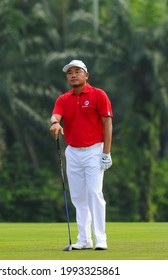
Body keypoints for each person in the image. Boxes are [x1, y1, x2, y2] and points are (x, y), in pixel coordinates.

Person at [49, 60, 113, 250]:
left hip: (94, 150)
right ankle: (84, 239)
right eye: (70, 73)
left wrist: (106, 152)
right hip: (73, 152)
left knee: (95, 193)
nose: (73, 75)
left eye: (77, 72)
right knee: (78, 197)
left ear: (86, 75)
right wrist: (55, 123)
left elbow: (107, 124)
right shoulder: (63, 99)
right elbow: (56, 116)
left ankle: (101, 239)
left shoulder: (98, 95)